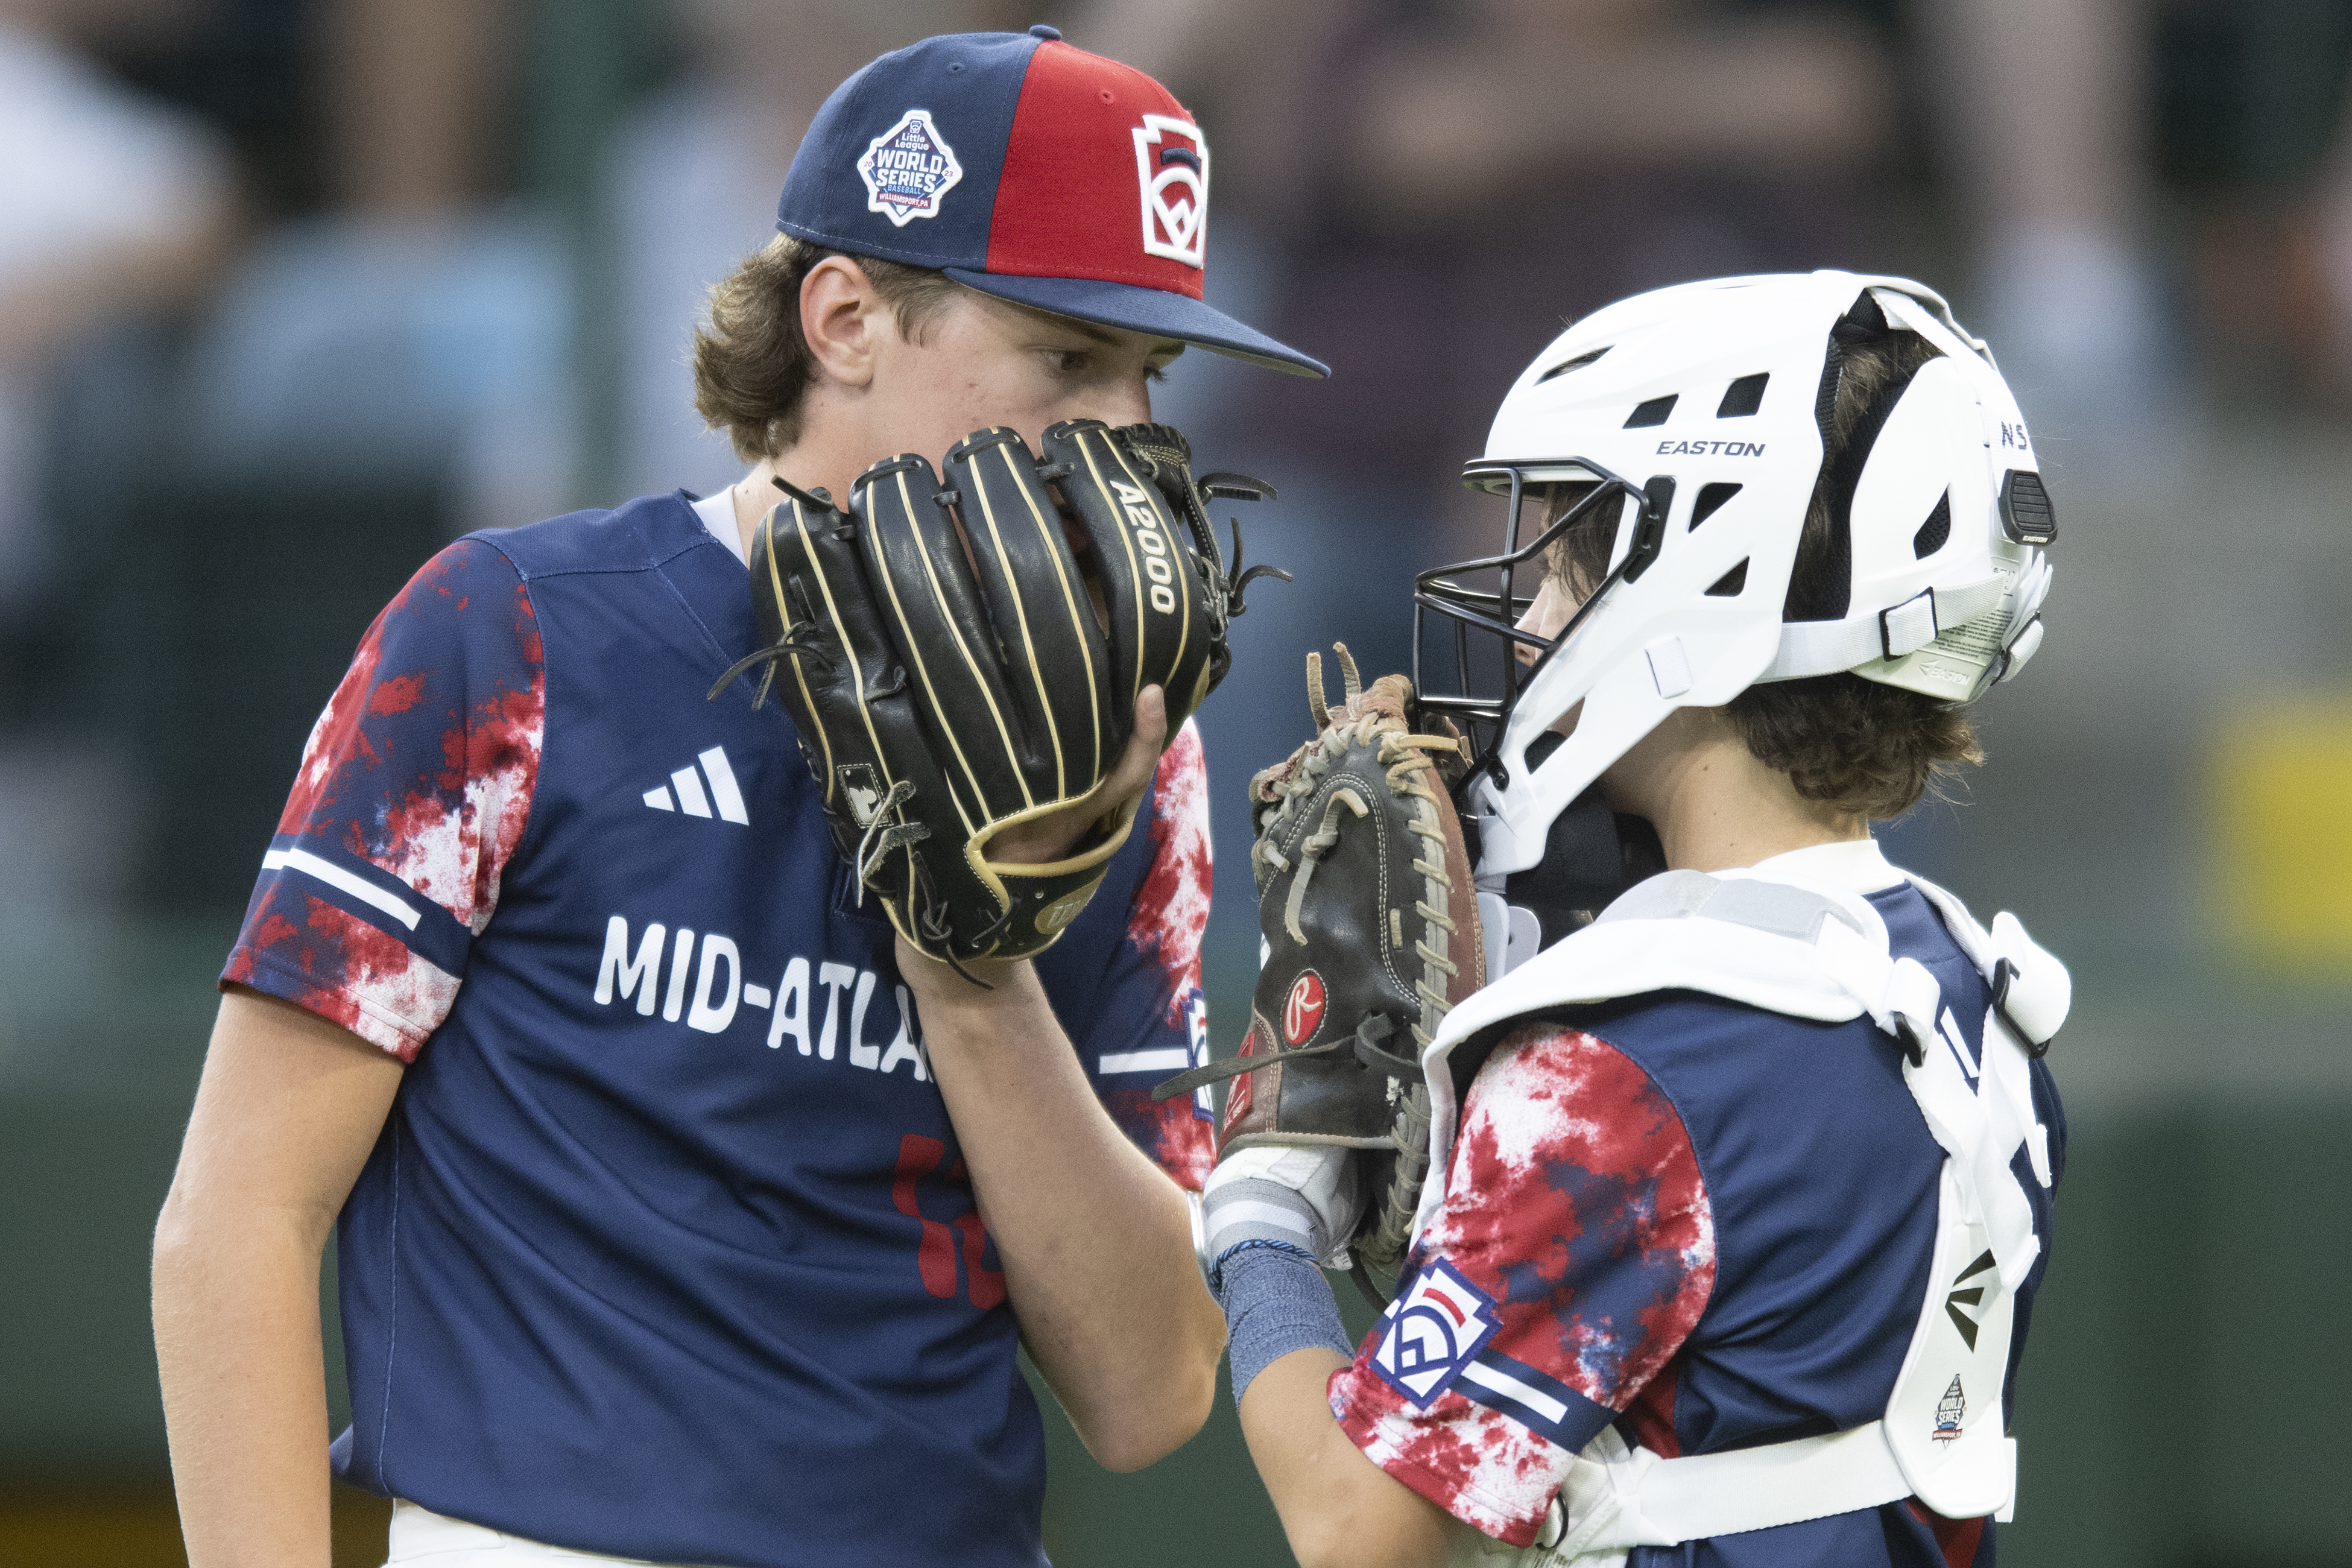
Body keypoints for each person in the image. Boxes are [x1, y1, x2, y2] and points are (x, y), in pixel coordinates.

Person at [151, 27, 1326, 1568]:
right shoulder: (515, 635)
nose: (1124, 431)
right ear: (843, 317)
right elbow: (236, 1222)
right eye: (1066, 356)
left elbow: (1150, 1389)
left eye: (1148, 373)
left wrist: (974, 987)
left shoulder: (1131, 745)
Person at [1198, 271, 2067, 1567]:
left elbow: (1354, 1527)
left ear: (1703, 584)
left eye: (1557, 572)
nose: (1531, 623)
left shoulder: (1616, 1082)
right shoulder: (1969, 993)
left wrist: (1262, 1216)